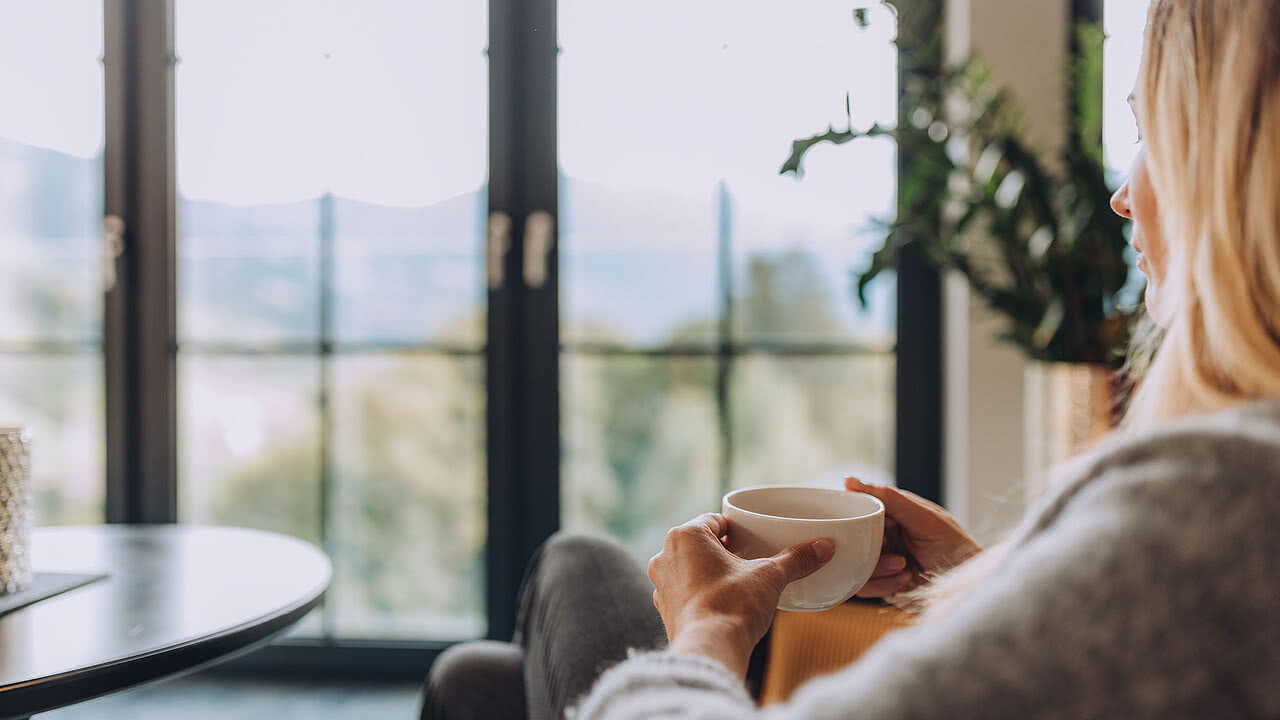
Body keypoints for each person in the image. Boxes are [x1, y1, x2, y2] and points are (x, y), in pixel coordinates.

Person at [423, 1, 1280, 717]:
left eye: (1150, 132)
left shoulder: (1223, 500)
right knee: (477, 682)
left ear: (1235, 168)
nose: (1124, 194)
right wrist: (991, 576)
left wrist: (709, 629)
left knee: (572, 568)